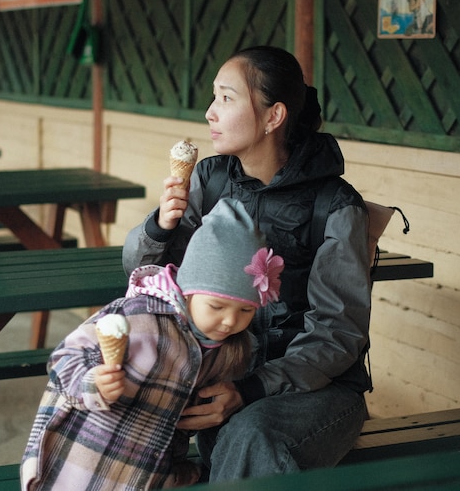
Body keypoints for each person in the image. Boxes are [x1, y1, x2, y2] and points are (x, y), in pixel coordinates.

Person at [123, 45, 373, 481]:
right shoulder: (209, 180)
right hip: (223, 378)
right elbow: (146, 277)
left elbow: (338, 334)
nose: (209, 113)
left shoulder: (335, 205)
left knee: (252, 437)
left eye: (225, 98)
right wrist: (160, 227)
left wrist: (249, 390)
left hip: (317, 393)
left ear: (274, 116)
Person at [21, 198, 285, 490]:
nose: (229, 321)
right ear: (189, 291)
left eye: (245, 310)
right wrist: (93, 383)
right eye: (217, 306)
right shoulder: (139, 317)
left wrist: (177, 473)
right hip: (80, 467)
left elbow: (176, 425)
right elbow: (64, 358)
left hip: (141, 476)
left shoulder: (225, 349)